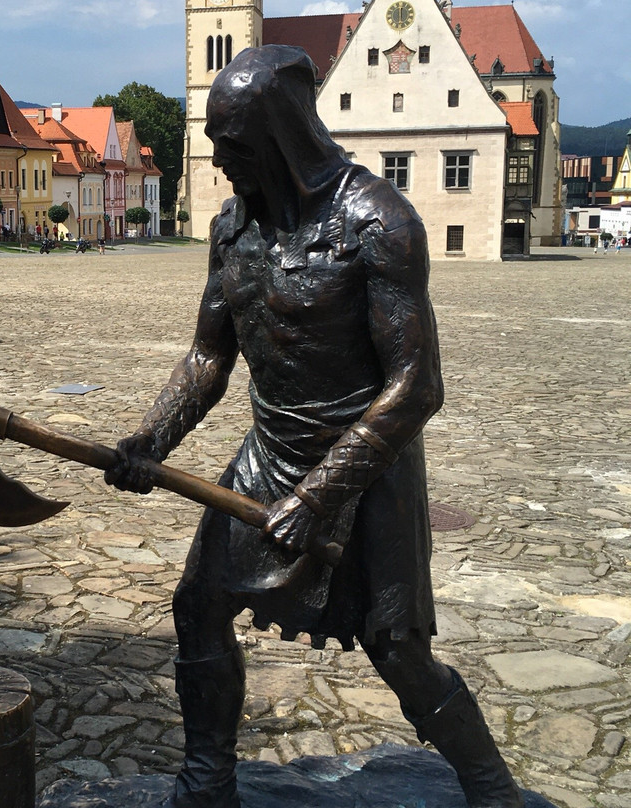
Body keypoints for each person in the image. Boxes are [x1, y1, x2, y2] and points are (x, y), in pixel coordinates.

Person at [105, 45, 523, 808]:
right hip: (269, 455)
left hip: (368, 469)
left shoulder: (381, 223)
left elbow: (416, 387)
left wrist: (324, 492)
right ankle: (208, 782)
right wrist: (150, 440)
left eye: (229, 141)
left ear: (277, 136)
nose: (216, 157)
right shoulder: (233, 228)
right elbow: (208, 357)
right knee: (199, 605)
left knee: (397, 649)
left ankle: (492, 789)